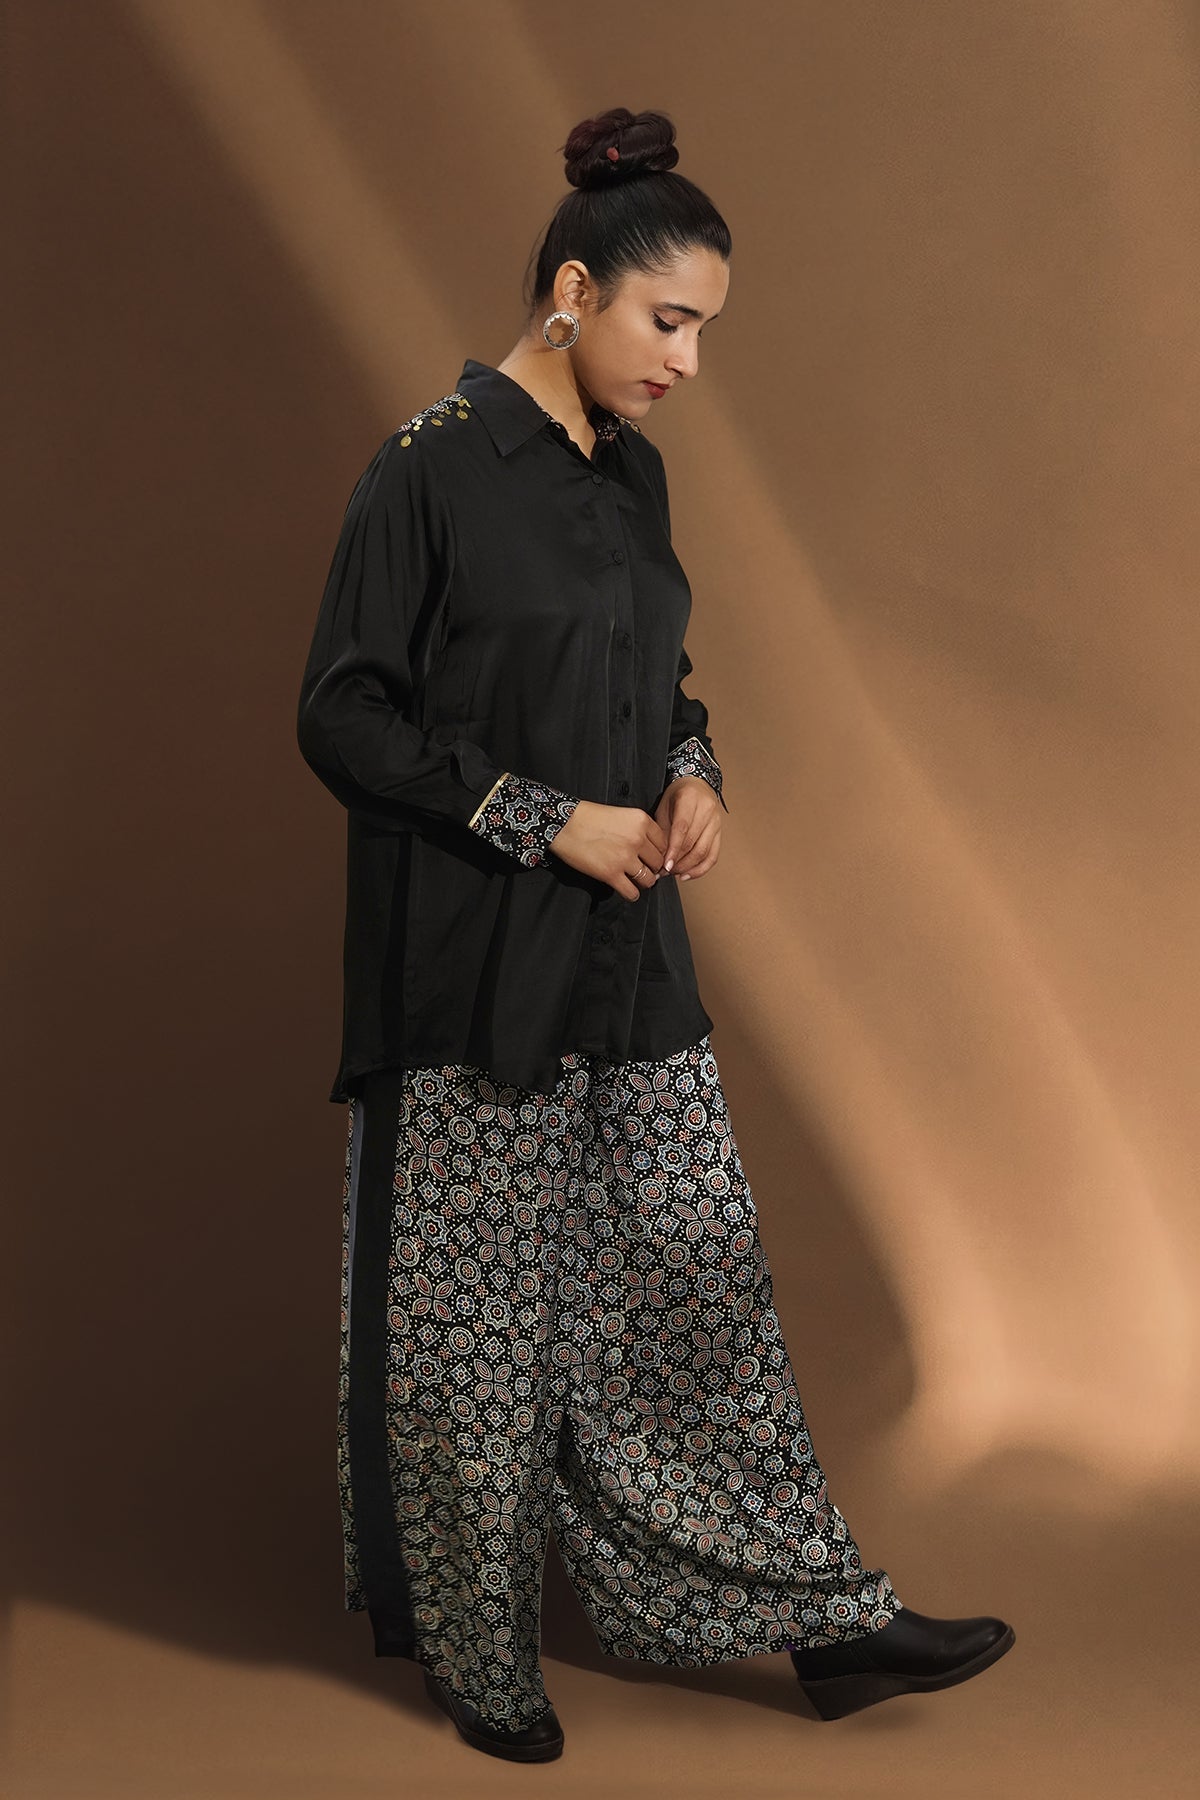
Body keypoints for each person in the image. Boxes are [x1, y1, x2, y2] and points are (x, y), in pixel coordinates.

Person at [296, 105, 1014, 1766]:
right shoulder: (427, 470)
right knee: (477, 1334)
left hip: (628, 965)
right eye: (668, 321)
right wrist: (541, 815)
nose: (688, 361)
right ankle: (480, 1657)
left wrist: (693, 772)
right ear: (573, 293)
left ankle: (823, 1617)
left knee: (699, 1284)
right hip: (473, 974)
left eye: (704, 330)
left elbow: (655, 678)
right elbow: (342, 715)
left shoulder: (634, 474)